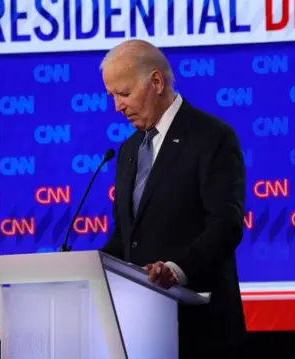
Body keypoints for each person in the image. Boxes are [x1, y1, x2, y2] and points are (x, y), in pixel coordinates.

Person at [99, 39, 247, 358]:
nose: (117, 106)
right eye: (112, 95)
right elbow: (126, 238)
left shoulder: (212, 137)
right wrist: (88, 269)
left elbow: (226, 224)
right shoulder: (128, 151)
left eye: (123, 93)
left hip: (200, 329)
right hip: (141, 331)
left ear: (156, 82)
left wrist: (176, 270)